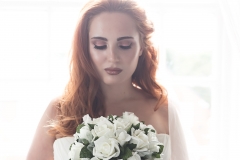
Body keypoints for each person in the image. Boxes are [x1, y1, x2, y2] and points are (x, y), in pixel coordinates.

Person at [27, 0, 189, 159]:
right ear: (86, 47)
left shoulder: (162, 110)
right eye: (99, 45)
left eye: (125, 45)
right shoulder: (59, 110)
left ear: (141, 47)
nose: (113, 57)